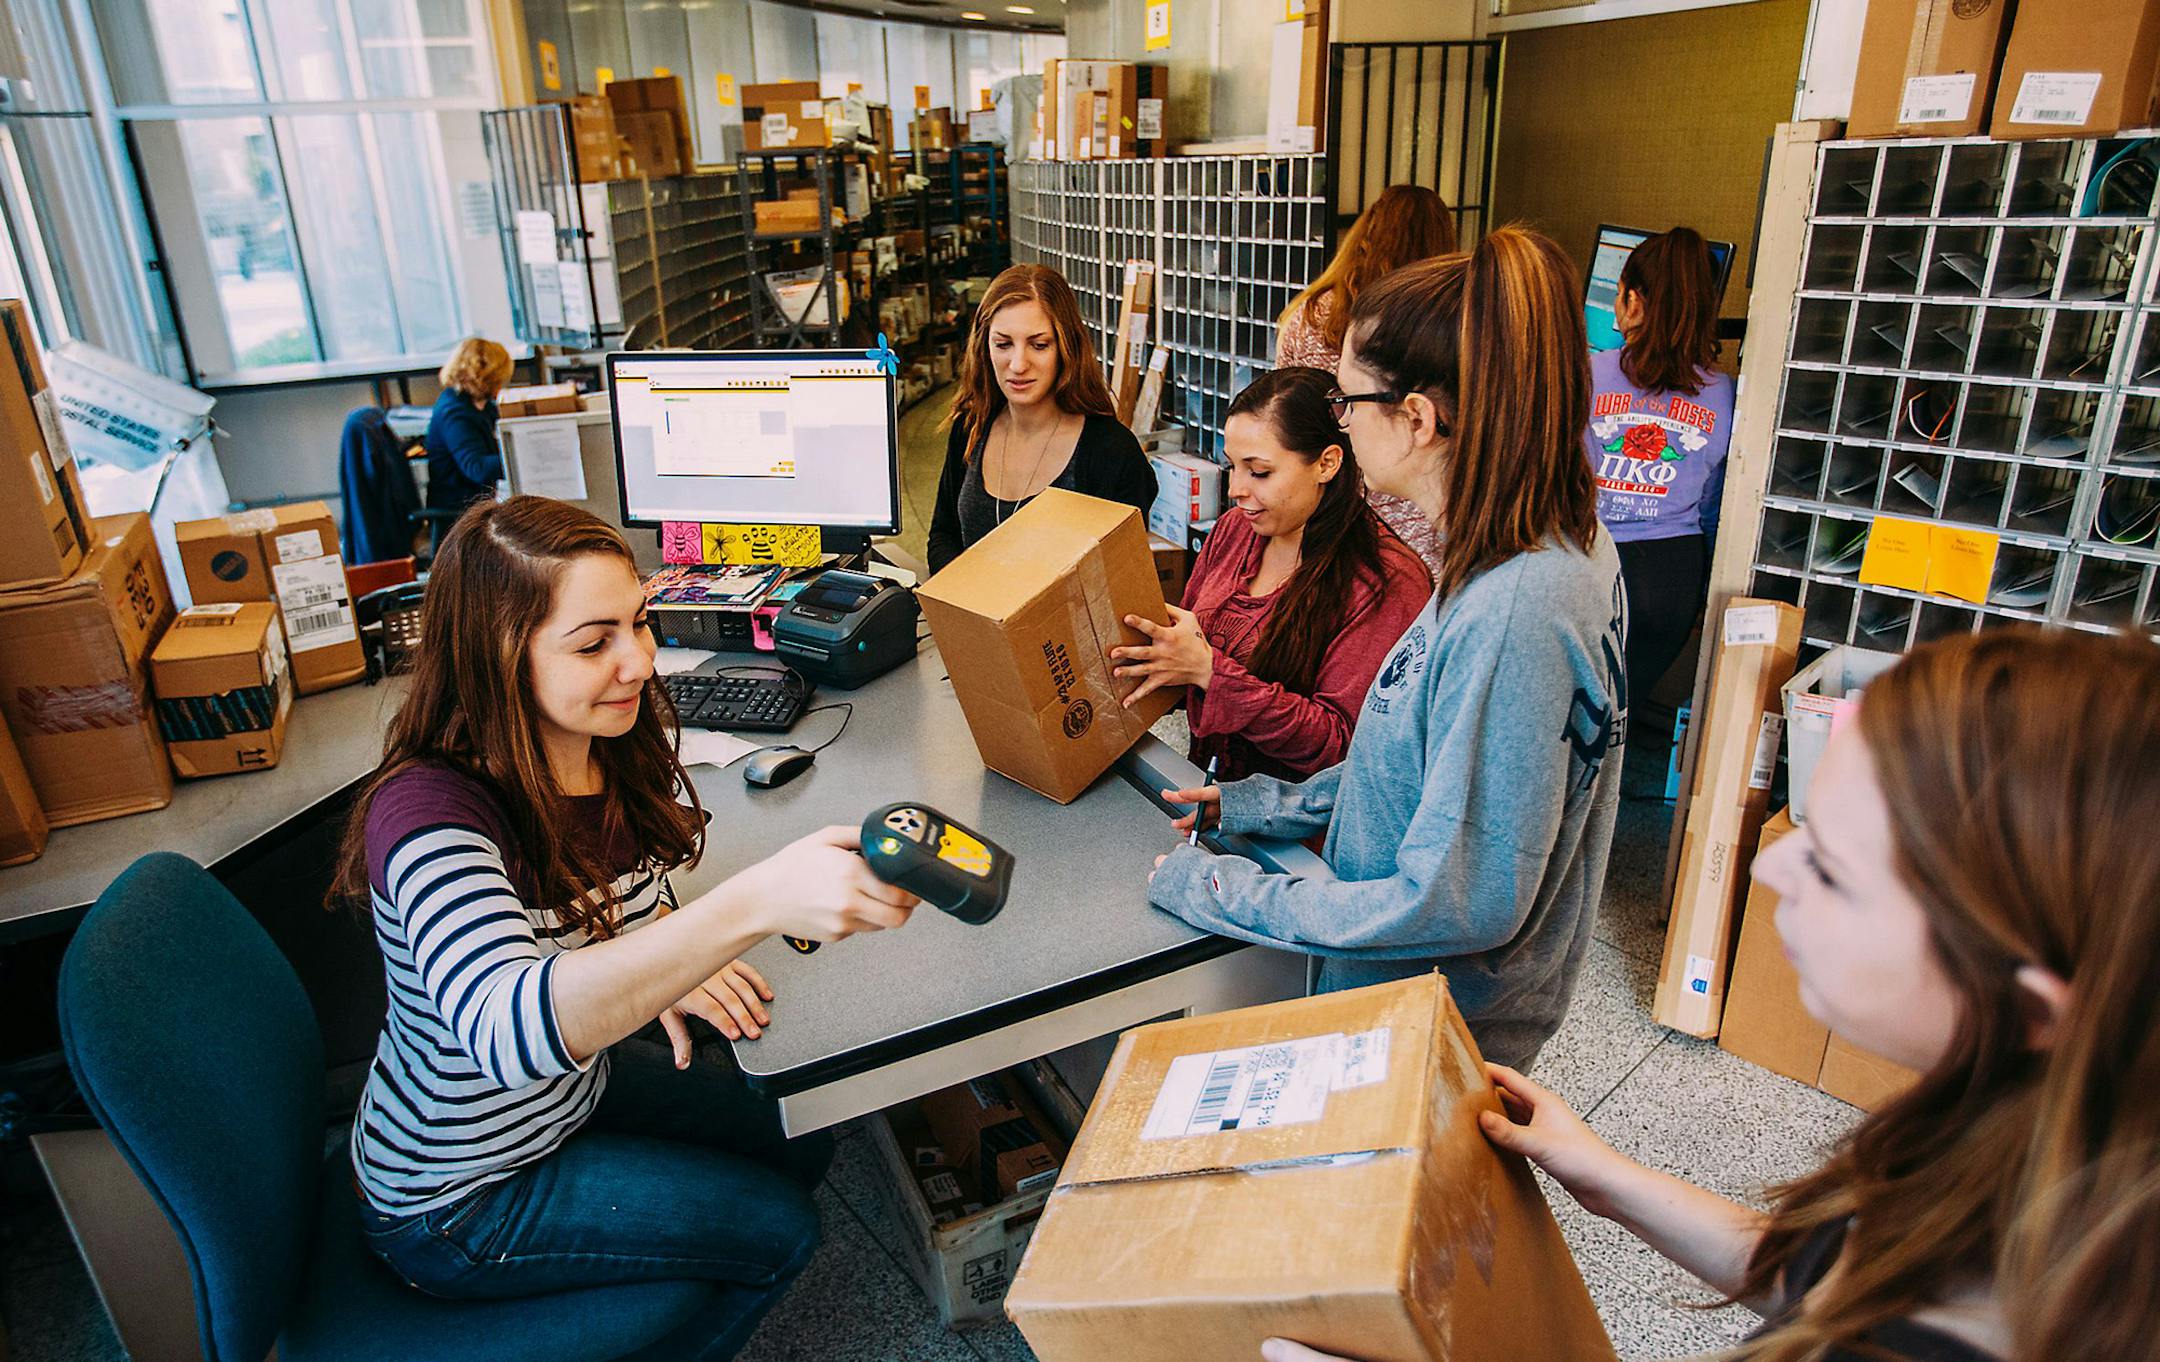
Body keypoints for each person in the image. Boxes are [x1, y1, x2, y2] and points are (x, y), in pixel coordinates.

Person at [1262, 628, 2160, 1362]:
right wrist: (1612, 1181)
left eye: (1836, 871)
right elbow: (1835, 1270)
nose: (1771, 863)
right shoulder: (2048, 1146)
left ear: (2032, 1008)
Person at [329, 496, 919, 1353]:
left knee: (797, 1132)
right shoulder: (426, 814)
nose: (640, 662)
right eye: (593, 642)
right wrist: (745, 909)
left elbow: (621, 905)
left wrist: (657, 964)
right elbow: (509, 1028)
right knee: (783, 1229)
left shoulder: (595, 742)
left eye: (638, 623)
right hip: (459, 1195)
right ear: (499, 659)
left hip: (566, 1098)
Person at [1149, 228, 1628, 1072]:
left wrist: (1228, 890)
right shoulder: (1535, 543)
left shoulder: (1515, 606)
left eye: (1346, 402)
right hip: (1405, 997)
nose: (1338, 421)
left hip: (1427, 1020)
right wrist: (1263, 807)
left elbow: (1454, 900)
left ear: (1416, 419)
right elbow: (1416, 757)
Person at [1108, 366, 1429, 784]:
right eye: (1232, 467)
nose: (1235, 489)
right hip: (1208, 799)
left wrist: (1209, 671)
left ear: (1327, 464)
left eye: (1259, 472)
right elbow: (1181, 651)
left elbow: (1343, 747)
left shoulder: (1385, 581)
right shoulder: (1237, 529)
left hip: (1296, 840)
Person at [1276, 185, 1457, 581]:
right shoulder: (1444, 332)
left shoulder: (1309, 315)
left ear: (1365, 234)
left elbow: (1283, 413)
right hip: (1422, 522)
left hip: (1327, 507)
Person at [926, 264, 1155, 574]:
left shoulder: (1112, 453)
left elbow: (1120, 579)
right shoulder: (971, 426)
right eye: (1003, 344)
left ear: (1066, 347)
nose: (1019, 364)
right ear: (984, 347)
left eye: (1039, 345)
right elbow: (944, 534)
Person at [1587, 227, 1733, 700]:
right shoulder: (1726, 393)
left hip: (1594, 563)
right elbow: (1712, 502)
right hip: (1674, 576)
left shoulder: (1586, 373)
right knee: (1619, 716)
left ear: (1631, 300)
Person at [425, 337, 514, 516]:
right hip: (458, 509)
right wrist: (521, 456)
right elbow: (476, 468)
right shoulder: (454, 413)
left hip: (480, 500)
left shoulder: (481, 405)